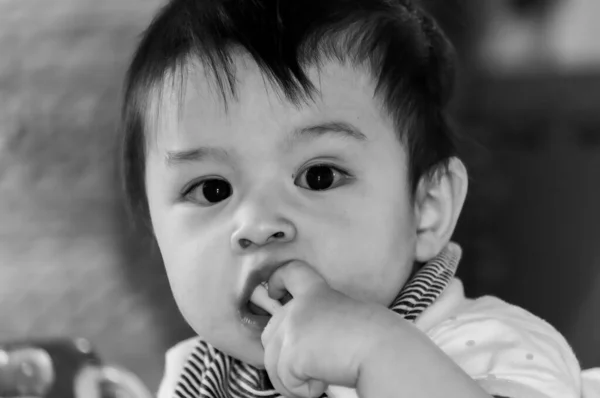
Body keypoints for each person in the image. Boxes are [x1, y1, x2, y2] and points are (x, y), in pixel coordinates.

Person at [120, 0, 599, 397]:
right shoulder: (197, 378)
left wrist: (376, 353)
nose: (258, 223)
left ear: (426, 210)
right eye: (212, 190)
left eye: (320, 176)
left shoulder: (482, 348)